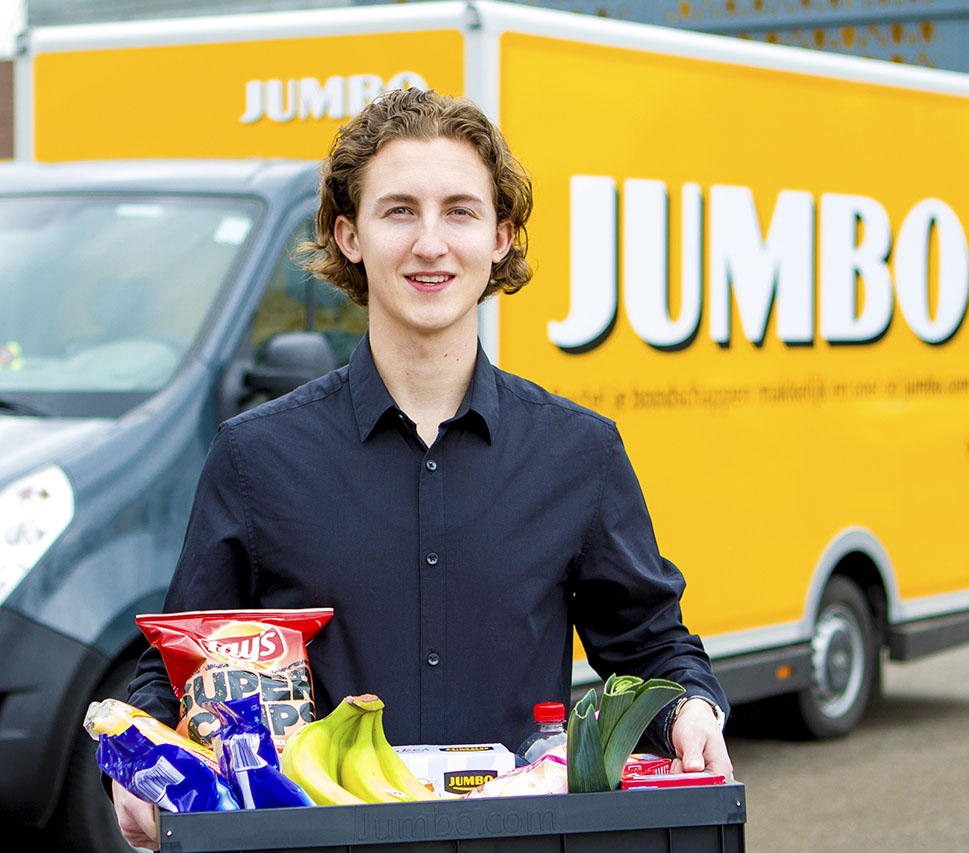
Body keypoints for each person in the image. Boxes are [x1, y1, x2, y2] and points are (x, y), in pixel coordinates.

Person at [111, 88, 732, 849]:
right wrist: (139, 759)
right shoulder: (255, 457)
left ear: (501, 238)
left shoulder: (581, 455)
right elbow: (175, 665)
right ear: (349, 235)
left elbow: (652, 645)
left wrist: (689, 708)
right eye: (399, 210)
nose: (430, 243)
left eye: (461, 212)